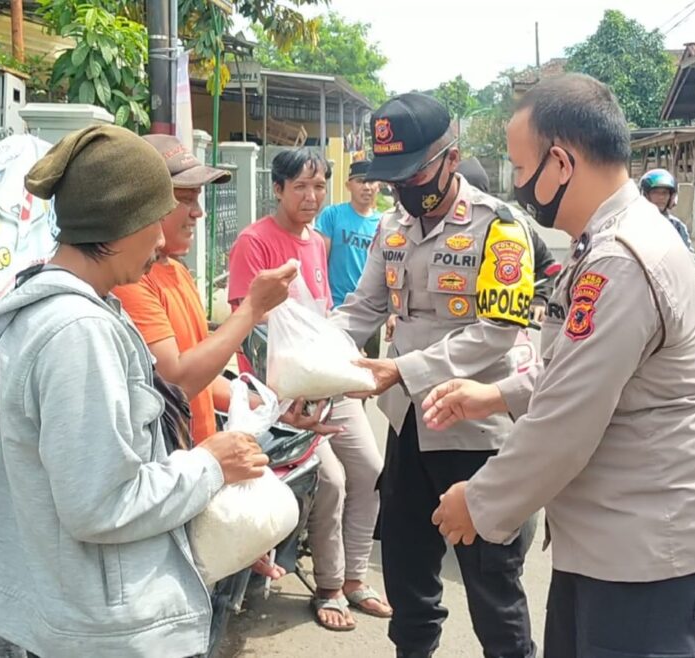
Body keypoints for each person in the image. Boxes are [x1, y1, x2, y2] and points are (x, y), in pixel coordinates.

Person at [424, 74, 695, 658]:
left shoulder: (620, 258)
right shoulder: (606, 242)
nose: (518, 185)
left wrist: (480, 501)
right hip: (609, 542)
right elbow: (583, 369)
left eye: (520, 168)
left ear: (561, 163)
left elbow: (568, 421)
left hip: (645, 552)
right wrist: (498, 395)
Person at [0, 125, 268, 658]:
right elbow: (101, 504)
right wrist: (209, 465)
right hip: (93, 629)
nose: (161, 238)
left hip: (68, 609)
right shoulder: (77, 333)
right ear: (119, 223)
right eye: (155, 220)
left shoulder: (66, 312)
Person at [329, 92, 537, 658]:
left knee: (492, 586)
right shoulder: (391, 228)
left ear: (451, 157)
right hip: (409, 430)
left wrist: (404, 368)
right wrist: (312, 358)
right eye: (391, 178)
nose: (402, 191)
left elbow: (497, 328)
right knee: (407, 573)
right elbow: (362, 308)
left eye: (413, 174)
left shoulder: (501, 228)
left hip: (476, 436)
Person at [111, 134, 335, 580]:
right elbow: (176, 378)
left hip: (198, 468)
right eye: (185, 199)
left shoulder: (174, 271)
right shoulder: (132, 283)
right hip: (165, 479)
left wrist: (273, 408)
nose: (198, 212)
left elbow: (204, 372)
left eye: (198, 199)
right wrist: (253, 308)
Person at [227, 148, 391, 631]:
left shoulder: (318, 243)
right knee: (333, 482)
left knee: (371, 470)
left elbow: (321, 319)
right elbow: (246, 328)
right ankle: (330, 585)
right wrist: (272, 396)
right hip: (281, 396)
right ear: (277, 188)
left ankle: (358, 578)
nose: (310, 196)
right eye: (299, 186)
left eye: (319, 186)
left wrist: (348, 371)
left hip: (326, 385)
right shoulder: (253, 243)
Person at [458, 155, 562, 324]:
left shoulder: (510, 227)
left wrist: (539, 298)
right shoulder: (434, 231)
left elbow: (550, 267)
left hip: (501, 330)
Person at [315, 160, 384, 356]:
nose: (367, 187)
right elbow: (318, 262)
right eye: (361, 181)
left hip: (371, 311)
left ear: (378, 186)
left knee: (368, 373)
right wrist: (322, 303)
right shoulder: (332, 215)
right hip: (336, 308)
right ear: (348, 185)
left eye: (372, 182)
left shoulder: (383, 223)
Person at [640, 167, 695, 272]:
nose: (661, 197)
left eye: (665, 193)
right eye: (655, 192)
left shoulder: (677, 226)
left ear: (671, 196)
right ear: (646, 195)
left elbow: (687, 257)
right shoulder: (635, 224)